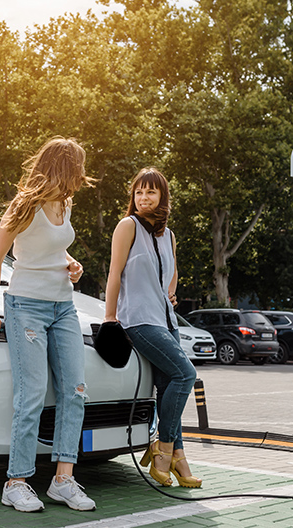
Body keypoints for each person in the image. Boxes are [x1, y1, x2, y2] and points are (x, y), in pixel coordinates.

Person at [0, 137, 97, 513]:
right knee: (31, 394)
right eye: (77, 167)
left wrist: (71, 262)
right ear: (64, 167)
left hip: (63, 306)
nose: (81, 176)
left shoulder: (65, 202)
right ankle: (15, 482)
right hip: (25, 305)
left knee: (75, 391)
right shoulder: (24, 204)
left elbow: (51, 248)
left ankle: (63, 479)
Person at [104, 167, 202, 488]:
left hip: (166, 320)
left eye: (151, 192)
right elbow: (115, 272)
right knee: (185, 374)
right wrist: (110, 317)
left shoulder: (168, 235)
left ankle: (176, 457)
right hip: (138, 319)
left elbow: (171, 273)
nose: (144, 199)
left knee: (170, 391)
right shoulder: (127, 226)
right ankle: (165, 450)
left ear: (163, 196)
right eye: (139, 193)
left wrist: (170, 292)